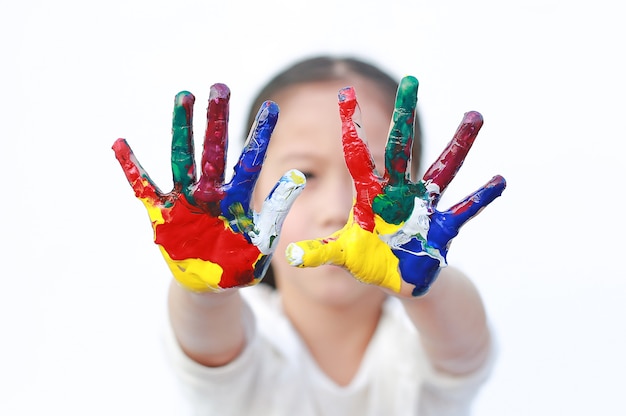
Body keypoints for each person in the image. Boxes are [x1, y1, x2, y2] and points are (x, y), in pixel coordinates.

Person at [112, 55, 506, 415]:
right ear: (248, 190)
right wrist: (203, 286)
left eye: (369, 179)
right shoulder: (252, 339)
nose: (337, 208)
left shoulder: (420, 342)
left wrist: (428, 281)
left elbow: (464, 347)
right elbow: (206, 337)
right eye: (307, 175)